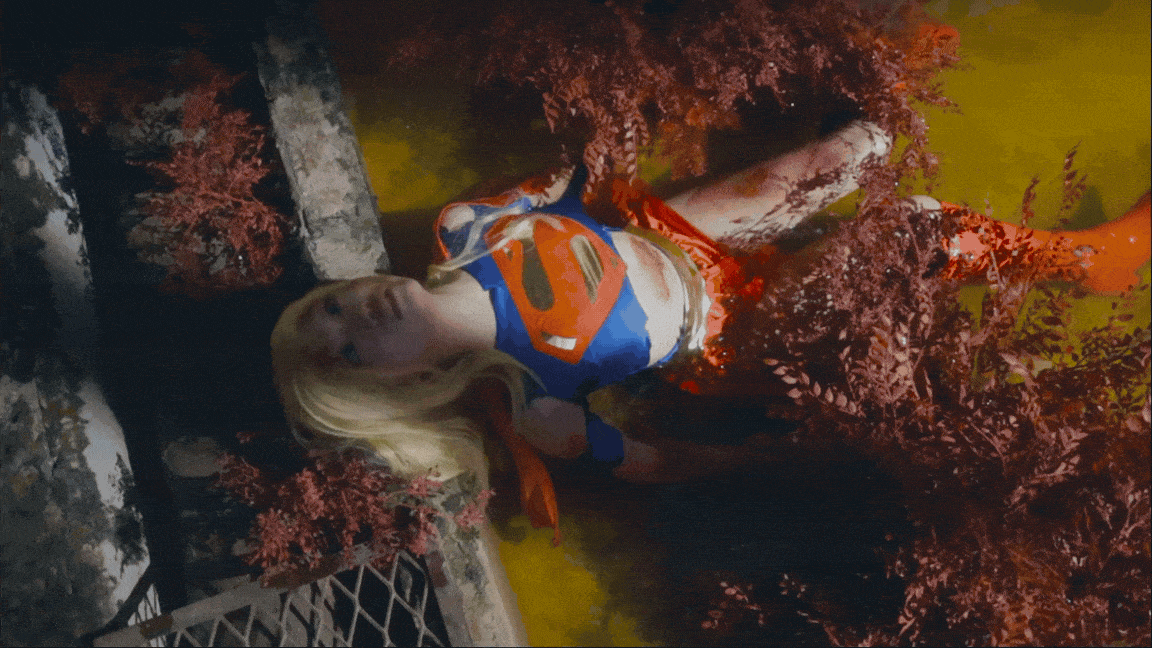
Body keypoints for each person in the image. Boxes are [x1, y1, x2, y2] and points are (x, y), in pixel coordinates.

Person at [271, 119, 1150, 544]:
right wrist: (768, 462)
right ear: (400, 387)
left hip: (677, 234)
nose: (354, 318)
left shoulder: (468, 225)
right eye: (347, 352)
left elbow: (581, 168)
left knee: (866, 144)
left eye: (329, 307)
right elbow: (655, 462)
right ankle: (1093, 262)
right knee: (915, 224)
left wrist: (631, 110)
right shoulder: (537, 404)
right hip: (731, 327)